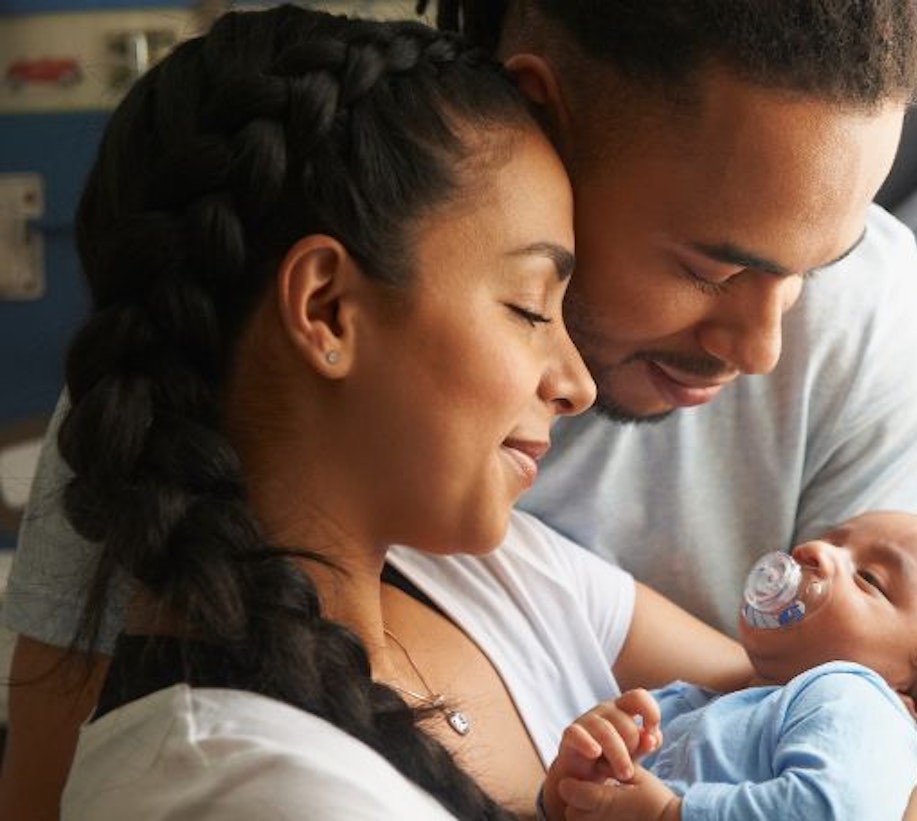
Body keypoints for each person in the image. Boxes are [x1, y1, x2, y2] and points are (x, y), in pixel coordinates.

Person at [2, 1, 917, 818]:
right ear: (543, 125)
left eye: (817, 269)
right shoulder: (199, 375)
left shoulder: (521, 574)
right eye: (711, 264)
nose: (764, 345)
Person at [32, 6, 623, 817]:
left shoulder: (450, 610)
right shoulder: (247, 790)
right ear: (329, 309)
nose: (577, 382)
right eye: (529, 306)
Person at [540, 512, 917, 821]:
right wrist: (577, 784)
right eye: (835, 539)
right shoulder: (700, 700)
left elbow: (830, 811)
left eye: (870, 580)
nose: (814, 551)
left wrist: (671, 814)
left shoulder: (857, 701)